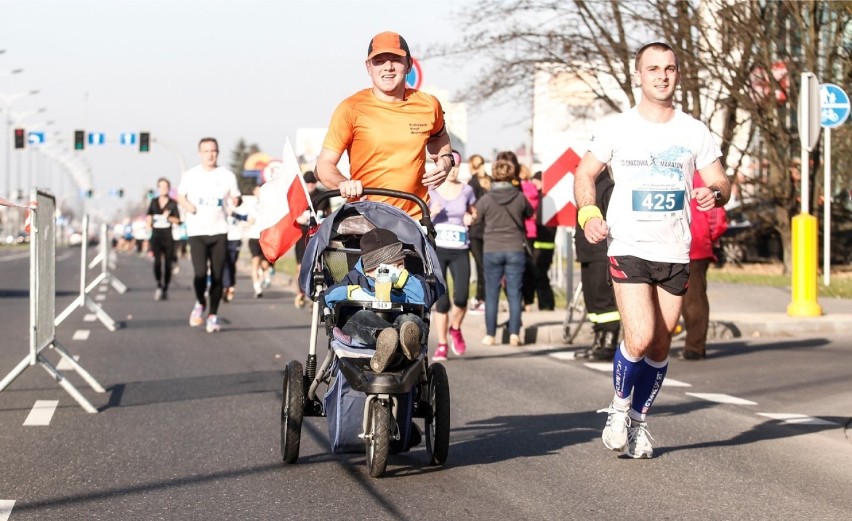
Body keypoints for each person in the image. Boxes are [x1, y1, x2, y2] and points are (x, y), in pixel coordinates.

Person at [573, 41, 731, 459]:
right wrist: (589, 213)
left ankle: (641, 421)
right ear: (638, 76)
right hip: (628, 244)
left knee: (661, 346)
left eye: (670, 68)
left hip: (676, 249)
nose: (662, 75)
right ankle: (619, 409)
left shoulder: (693, 130)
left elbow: (722, 181)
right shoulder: (616, 127)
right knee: (640, 337)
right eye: (653, 68)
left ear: (677, 74)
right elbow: (584, 172)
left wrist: (714, 193)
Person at [315, 31, 454, 219]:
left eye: (395, 59)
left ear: (409, 65)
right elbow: (324, 165)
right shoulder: (351, 108)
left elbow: (439, 137)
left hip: (415, 219)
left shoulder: (429, 105)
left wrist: (445, 160)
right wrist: (343, 183)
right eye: (379, 61)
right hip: (366, 218)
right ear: (368, 67)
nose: (388, 67)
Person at [323, 228, 438, 373]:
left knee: (410, 320)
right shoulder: (356, 279)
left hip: (399, 327)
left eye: (400, 264)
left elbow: (426, 298)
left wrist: (404, 280)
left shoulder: (408, 280)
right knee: (362, 317)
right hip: (366, 330)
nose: (397, 270)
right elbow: (328, 296)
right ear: (371, 270)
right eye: (389, 268)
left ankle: (407, 343)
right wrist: (352, 292)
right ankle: (384, 338)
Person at [177, 137, 241, 333]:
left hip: (219, 231)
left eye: (213, 151)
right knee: (199, 274)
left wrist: (235, 202)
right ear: (200, 153)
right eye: (206, 151)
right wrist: (189, 207)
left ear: (217, 153)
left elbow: (235, 196)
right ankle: (200, 302)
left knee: (218, 275)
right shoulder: (190, 175)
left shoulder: (226, 175)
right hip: (197, 231)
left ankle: (212, 315)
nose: (210, 154)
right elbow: (180, 196)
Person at [474, 157, 533, 347]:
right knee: (515, 294)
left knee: (492, 294)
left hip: (492, 249)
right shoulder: (519, 197)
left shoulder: (486, 199)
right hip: (515, 248)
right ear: (512, 175)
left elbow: (477, 219)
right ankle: (515, 333)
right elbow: (530, 213)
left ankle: (490, 335)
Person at [428, 149, 477, 361]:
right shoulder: (431, 190)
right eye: (451, 167)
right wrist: (432, 213)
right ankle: (441, 344)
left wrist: (470, 219)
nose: (453, 171)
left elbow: (473, 212)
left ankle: (455, 328)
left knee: (462, 296)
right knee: (443, 301)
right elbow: (421, 218)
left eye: (457, 167)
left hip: (460, 249)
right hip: (439, 249)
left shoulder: (466, 191)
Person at [680, 173, 728, 360]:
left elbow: (718, 216)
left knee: (690, 299)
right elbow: (718, 218)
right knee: (694, 298)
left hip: (687, 244)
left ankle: (691, 346)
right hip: (696, 244)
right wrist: (710, 238)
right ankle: (694, 345)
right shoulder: (703, 175)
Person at [574, 168, 621, 361]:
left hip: (601, 253)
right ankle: (598, 341)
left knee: (604, 301)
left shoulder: (608, 187)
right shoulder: (588, 188)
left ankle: (608, 343)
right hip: (588, 253)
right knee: (592, 301)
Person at [294, 171, 332, 308]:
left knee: (318, 265)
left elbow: (329, 213)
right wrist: (299, 218)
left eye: (312, 182)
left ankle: (315, 293)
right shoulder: (300, 196)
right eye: (308, 182)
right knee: (301, 265)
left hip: (319, 235)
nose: (310, 185)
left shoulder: (323, 196)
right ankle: (300, 291)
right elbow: (293, 214)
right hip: (302, 235)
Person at [146, 177, 180, 301]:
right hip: (156, 236)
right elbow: (149, 216)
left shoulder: (172, 203)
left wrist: (169, 217)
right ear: (158, 188)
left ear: (169, 189)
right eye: (161, 187)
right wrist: (148, 224)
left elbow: (178, 220)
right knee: (157, 262)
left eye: (165, 187)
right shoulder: (153, 202)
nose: (163, 189)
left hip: (168, 237)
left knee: (167, 264)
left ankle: (165, 287)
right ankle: (159, 284)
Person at [465, 153, 490, 314]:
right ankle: (483, 297)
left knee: (481, 266)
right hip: (489, 229)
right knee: (486, 266)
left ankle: (482, 298)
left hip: (475, 230)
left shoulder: (471, 184)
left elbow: (468, 206)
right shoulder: (490, 181)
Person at [529, 171, 556, 311]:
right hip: (542, 245)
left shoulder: (545, 199)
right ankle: (545, 303)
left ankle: (546, 304)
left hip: (543, 245)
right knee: (540, 275)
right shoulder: (544, 198)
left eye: (536, 182)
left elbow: (540, 220)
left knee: (540, 276)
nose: (534, 185)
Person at [518, 165, 541, 311]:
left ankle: (519, 299)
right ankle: (529, 301)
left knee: (518, 268)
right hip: (532, 232)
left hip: (520, 231)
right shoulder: (533, 189)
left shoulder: (519, 190)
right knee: (529, 267)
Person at [222, 195, 247, 303]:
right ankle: (227, 286)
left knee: (231, 263)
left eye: (236, 198)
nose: (234, 200)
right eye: (233, 198)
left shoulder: (243, 208)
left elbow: (246, 218)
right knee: (225, 263)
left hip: (236, 239)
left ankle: (230, 284)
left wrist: (234, 214)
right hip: (224, 238)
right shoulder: (224, 206)